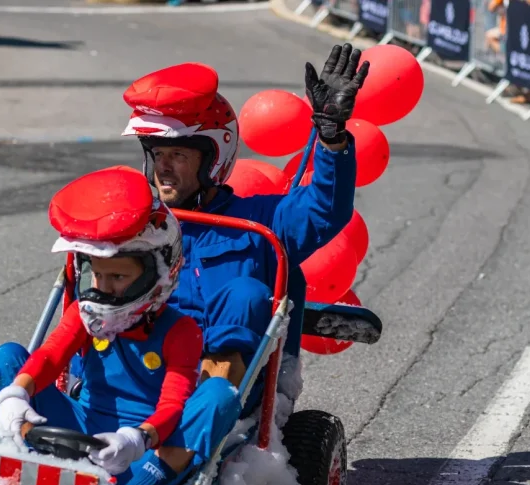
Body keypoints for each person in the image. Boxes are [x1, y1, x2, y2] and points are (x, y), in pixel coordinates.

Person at [120, 44, 366, 413]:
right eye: (158, 155)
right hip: (139, 376)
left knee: (244, 292)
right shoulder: (140, 223)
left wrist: (332, 138)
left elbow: (324, 210)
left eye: (178, 155)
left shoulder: (258, 222)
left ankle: (201, 419)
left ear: (213, 158)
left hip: (218, 402)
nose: (164, 167)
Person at [0, 167, 241, 485]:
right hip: (79, 428)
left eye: (118, 276)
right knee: (5, 360)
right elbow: (49, 356)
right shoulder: (83, 313)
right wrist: (16, 394)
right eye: (98, 275)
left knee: (219, 395)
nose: (104, 287)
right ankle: (18, 452)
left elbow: (173, 403)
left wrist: (138, 439)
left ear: (158, 273)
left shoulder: (181, 331)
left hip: (142, 450)